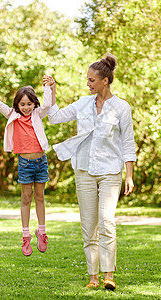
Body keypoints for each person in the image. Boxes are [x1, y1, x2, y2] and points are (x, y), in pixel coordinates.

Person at [47, 54, 136, 290]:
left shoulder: (121, 108)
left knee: (107, 221)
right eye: (87, 80)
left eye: (91, 80)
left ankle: (109, 275)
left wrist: (129, 175)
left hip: (110, 171)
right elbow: (55, 117)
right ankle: (93, 277)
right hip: (84, 170)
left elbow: (128, 143)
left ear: (105, 81)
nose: (88, 84)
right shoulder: (83, 104)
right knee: (89, 224)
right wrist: (52, 91)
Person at [0, 73, 55, 256]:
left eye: (29, 104)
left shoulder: (38, 114)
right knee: (26, 197)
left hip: (41, 161)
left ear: (34, 103)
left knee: (40, 197)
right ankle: (26, 236)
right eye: (22, 104)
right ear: (17, 105)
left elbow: (48, 104)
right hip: (25, 163)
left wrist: (48, 86)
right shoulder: (12, 114)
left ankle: (42, 231)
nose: (26, 107)